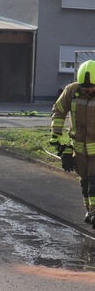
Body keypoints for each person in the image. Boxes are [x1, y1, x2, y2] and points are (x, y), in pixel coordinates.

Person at [50, 60, 95, 227]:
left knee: (94, 181)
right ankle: (90, 210)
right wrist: (62, 146)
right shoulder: (72, 91)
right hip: (78, 149)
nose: (87, 89)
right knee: (84, 181)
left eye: (91, 86)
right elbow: (59, 111)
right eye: (84, 86)